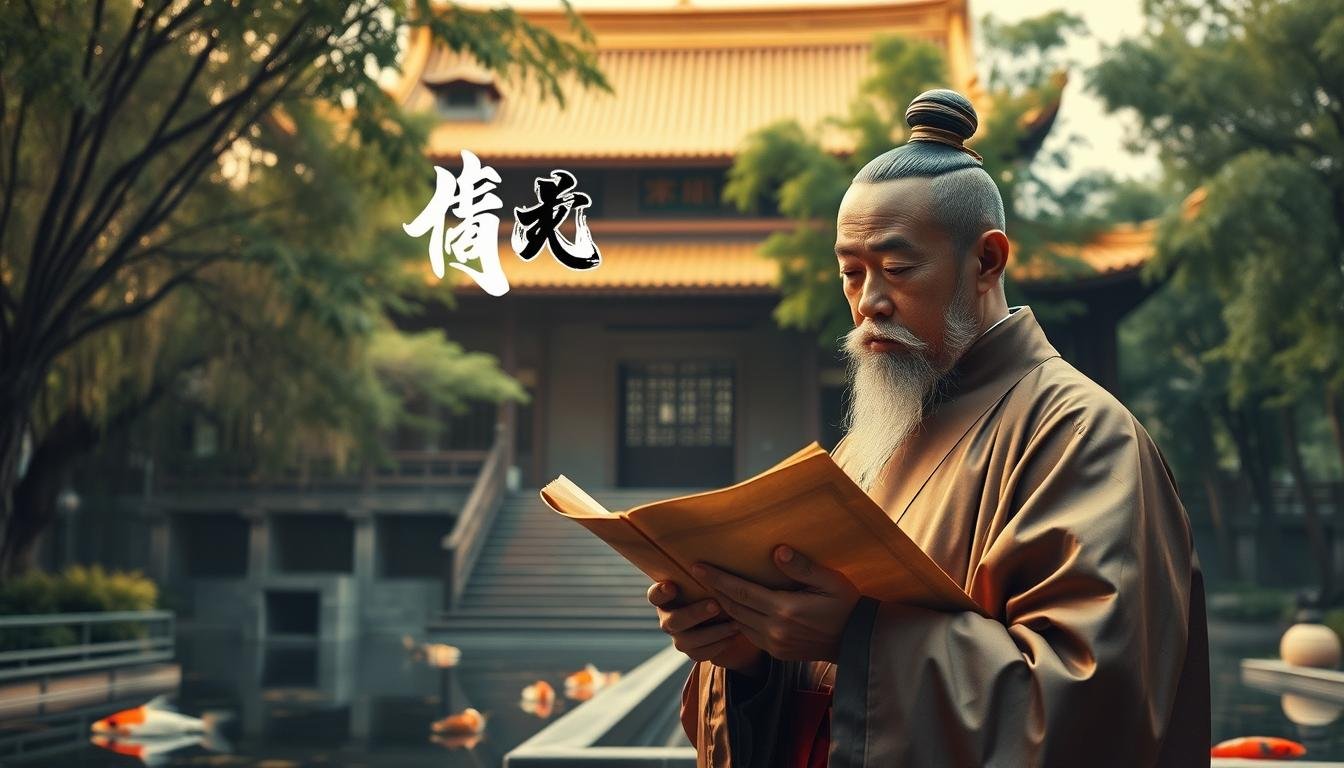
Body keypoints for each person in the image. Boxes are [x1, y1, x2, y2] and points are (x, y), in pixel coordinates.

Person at [648, 88, 1210, 767]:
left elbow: (1092, 708)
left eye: (896, 268)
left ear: (987, 260)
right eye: (851, 274)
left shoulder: (1081, 436)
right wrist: (750, 651)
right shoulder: (867, 447)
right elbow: (812, 696)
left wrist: (856, 638)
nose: (868, 302)